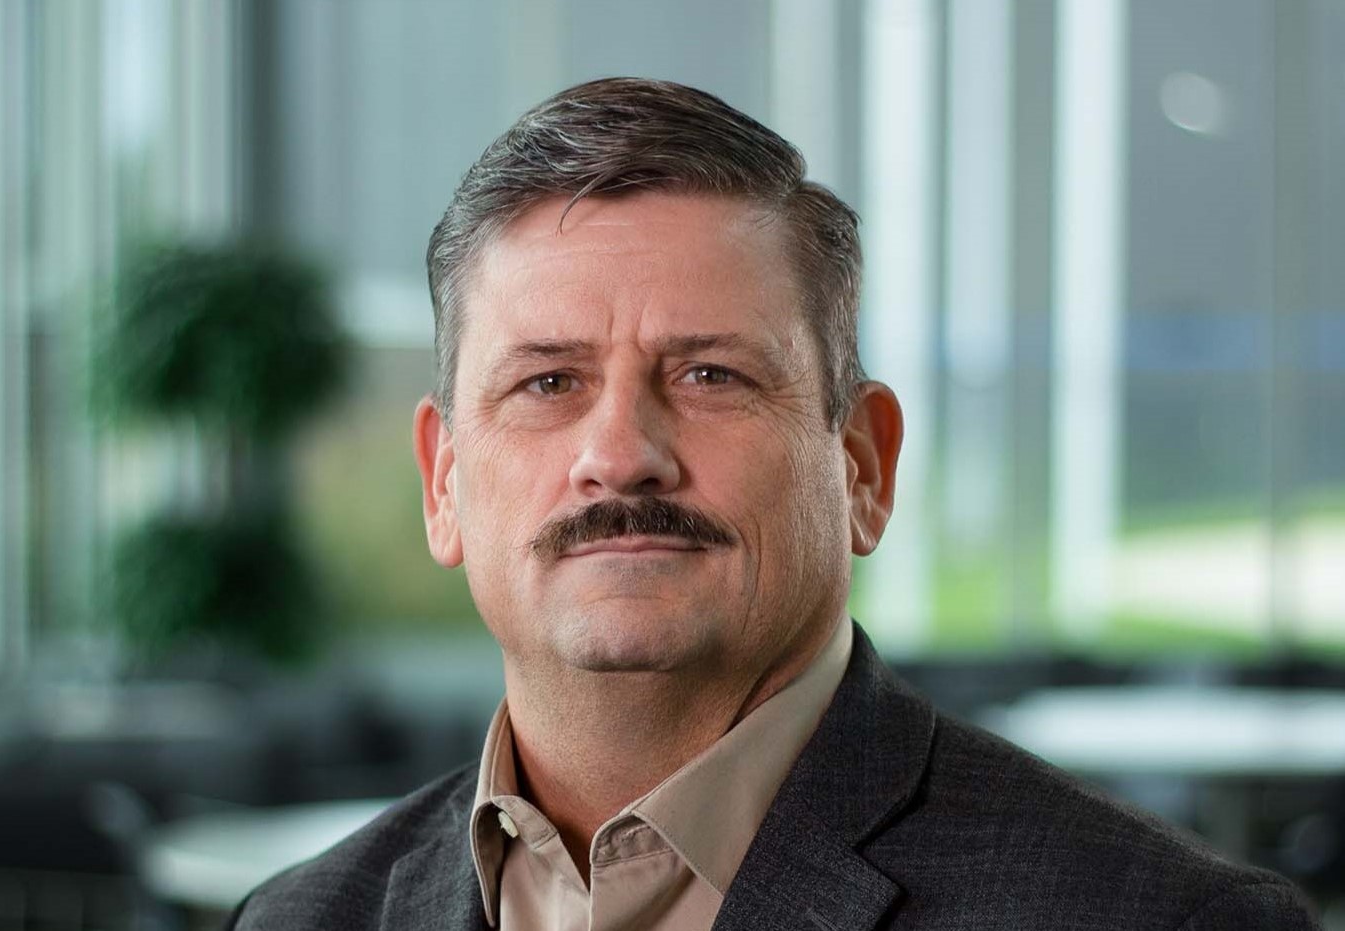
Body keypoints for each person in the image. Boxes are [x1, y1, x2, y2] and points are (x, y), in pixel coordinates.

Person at [226, 78, 1321, 930]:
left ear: (861, 466)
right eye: (546, 382)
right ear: (443, 483)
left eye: (709, 375)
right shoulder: (296, 918)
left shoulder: (1148, 917)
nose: (619, 453)